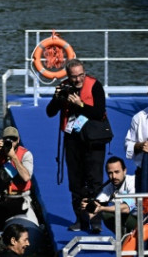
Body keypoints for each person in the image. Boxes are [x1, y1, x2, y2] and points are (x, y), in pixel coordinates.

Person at [46, 59, 108, 231]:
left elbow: (98, 112)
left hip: (93, 139)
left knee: (95, 181)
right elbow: (50, 112)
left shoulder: (95, 86)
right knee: (76, 182)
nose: (78, 80)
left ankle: (96, 220)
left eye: (81, 75)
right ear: (68, 76)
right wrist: (59, 98)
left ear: (85, 72)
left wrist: (79, 105)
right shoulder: (64, 87)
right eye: (74, 77)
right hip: (72, 139)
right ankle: (80, 219)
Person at [0, 126, 36, 231]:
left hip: (20, 197)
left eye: (13, 139)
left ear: (18, 140)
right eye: (7, 139)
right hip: (3, 197)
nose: (10, 142)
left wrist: (14, 157)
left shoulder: (26, 154)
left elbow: (26, 177)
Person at [83, 156, 137, 235]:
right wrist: (87, 206)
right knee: (106, 214)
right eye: (110, 173)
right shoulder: (109, 186)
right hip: (131, 218)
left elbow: (126, 208)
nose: (114, 176)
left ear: (124, 171)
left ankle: (128, 241)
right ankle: (124, 241)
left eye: (117, 172)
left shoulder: (133, 182)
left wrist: (102, 208)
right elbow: (98, 203)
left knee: (106, 212)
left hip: (145, 221)